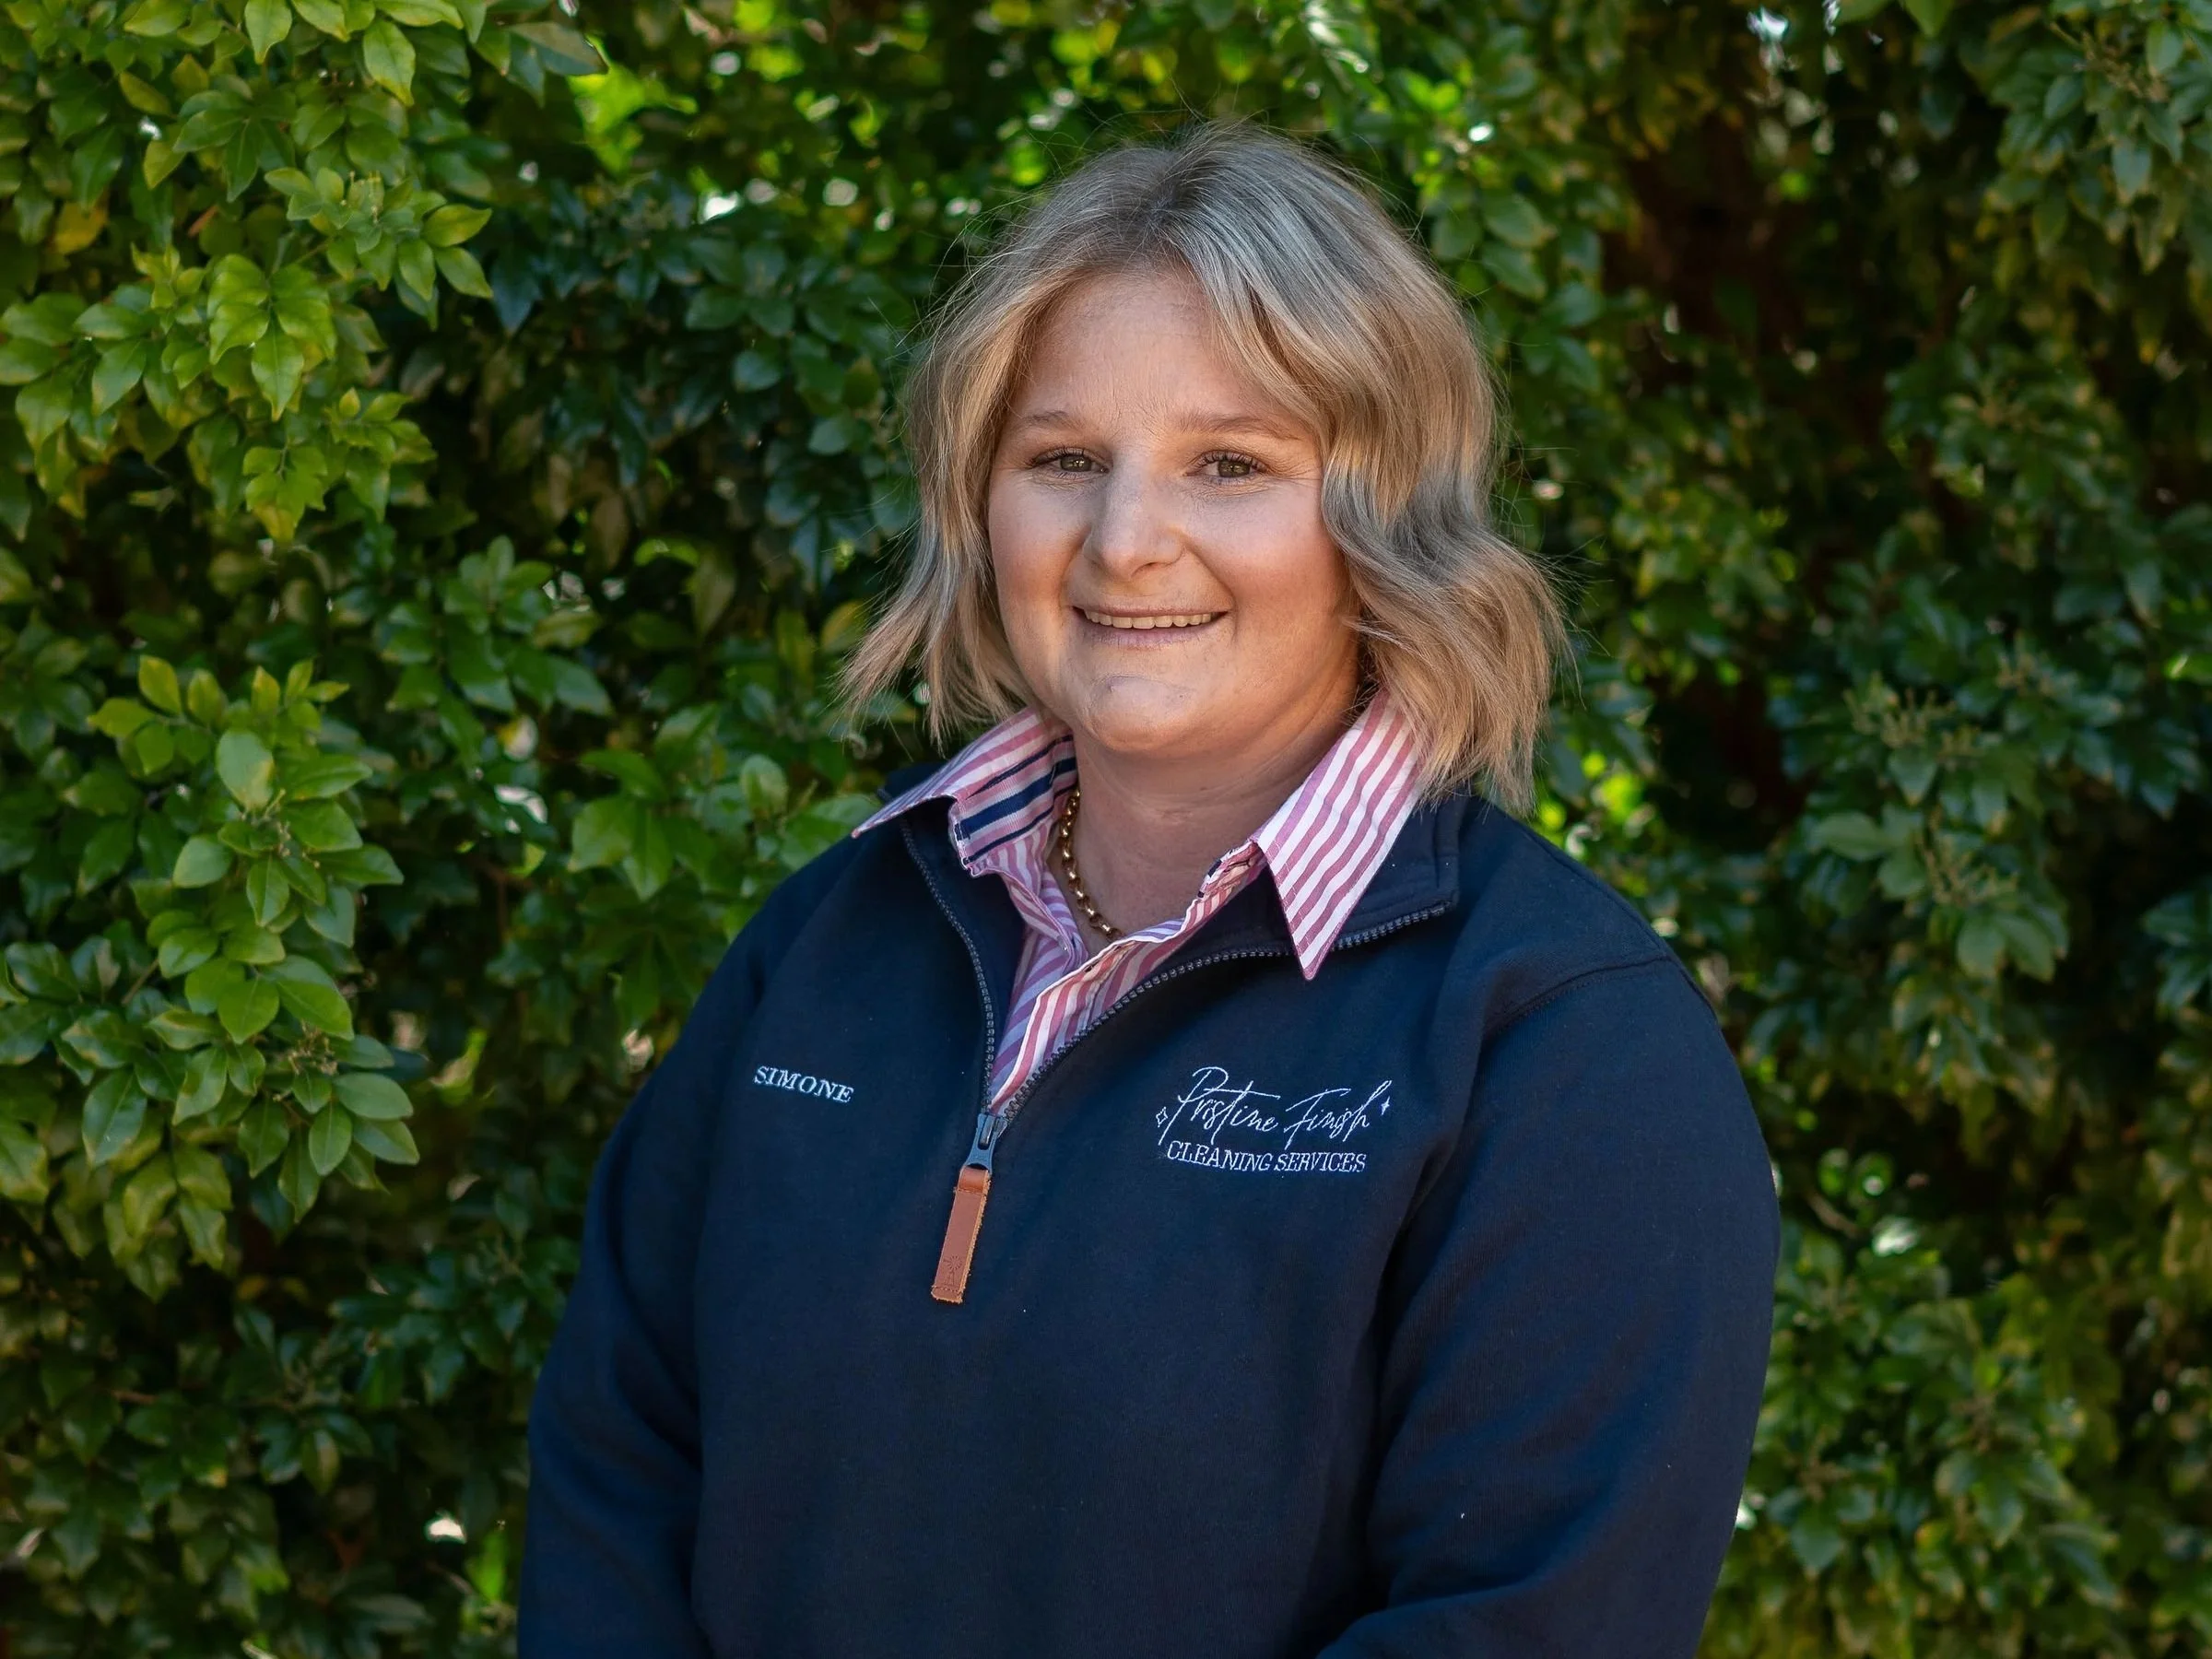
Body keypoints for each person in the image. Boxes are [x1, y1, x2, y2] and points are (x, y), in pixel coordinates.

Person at [518, 124, 1778, 1658]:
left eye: (1230, 465)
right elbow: (619, 1463)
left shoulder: (1565, 1045)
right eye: (1063, 461)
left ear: (1384, 520)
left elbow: (1524, 1624)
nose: (1125, 542)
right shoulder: (830, 943)